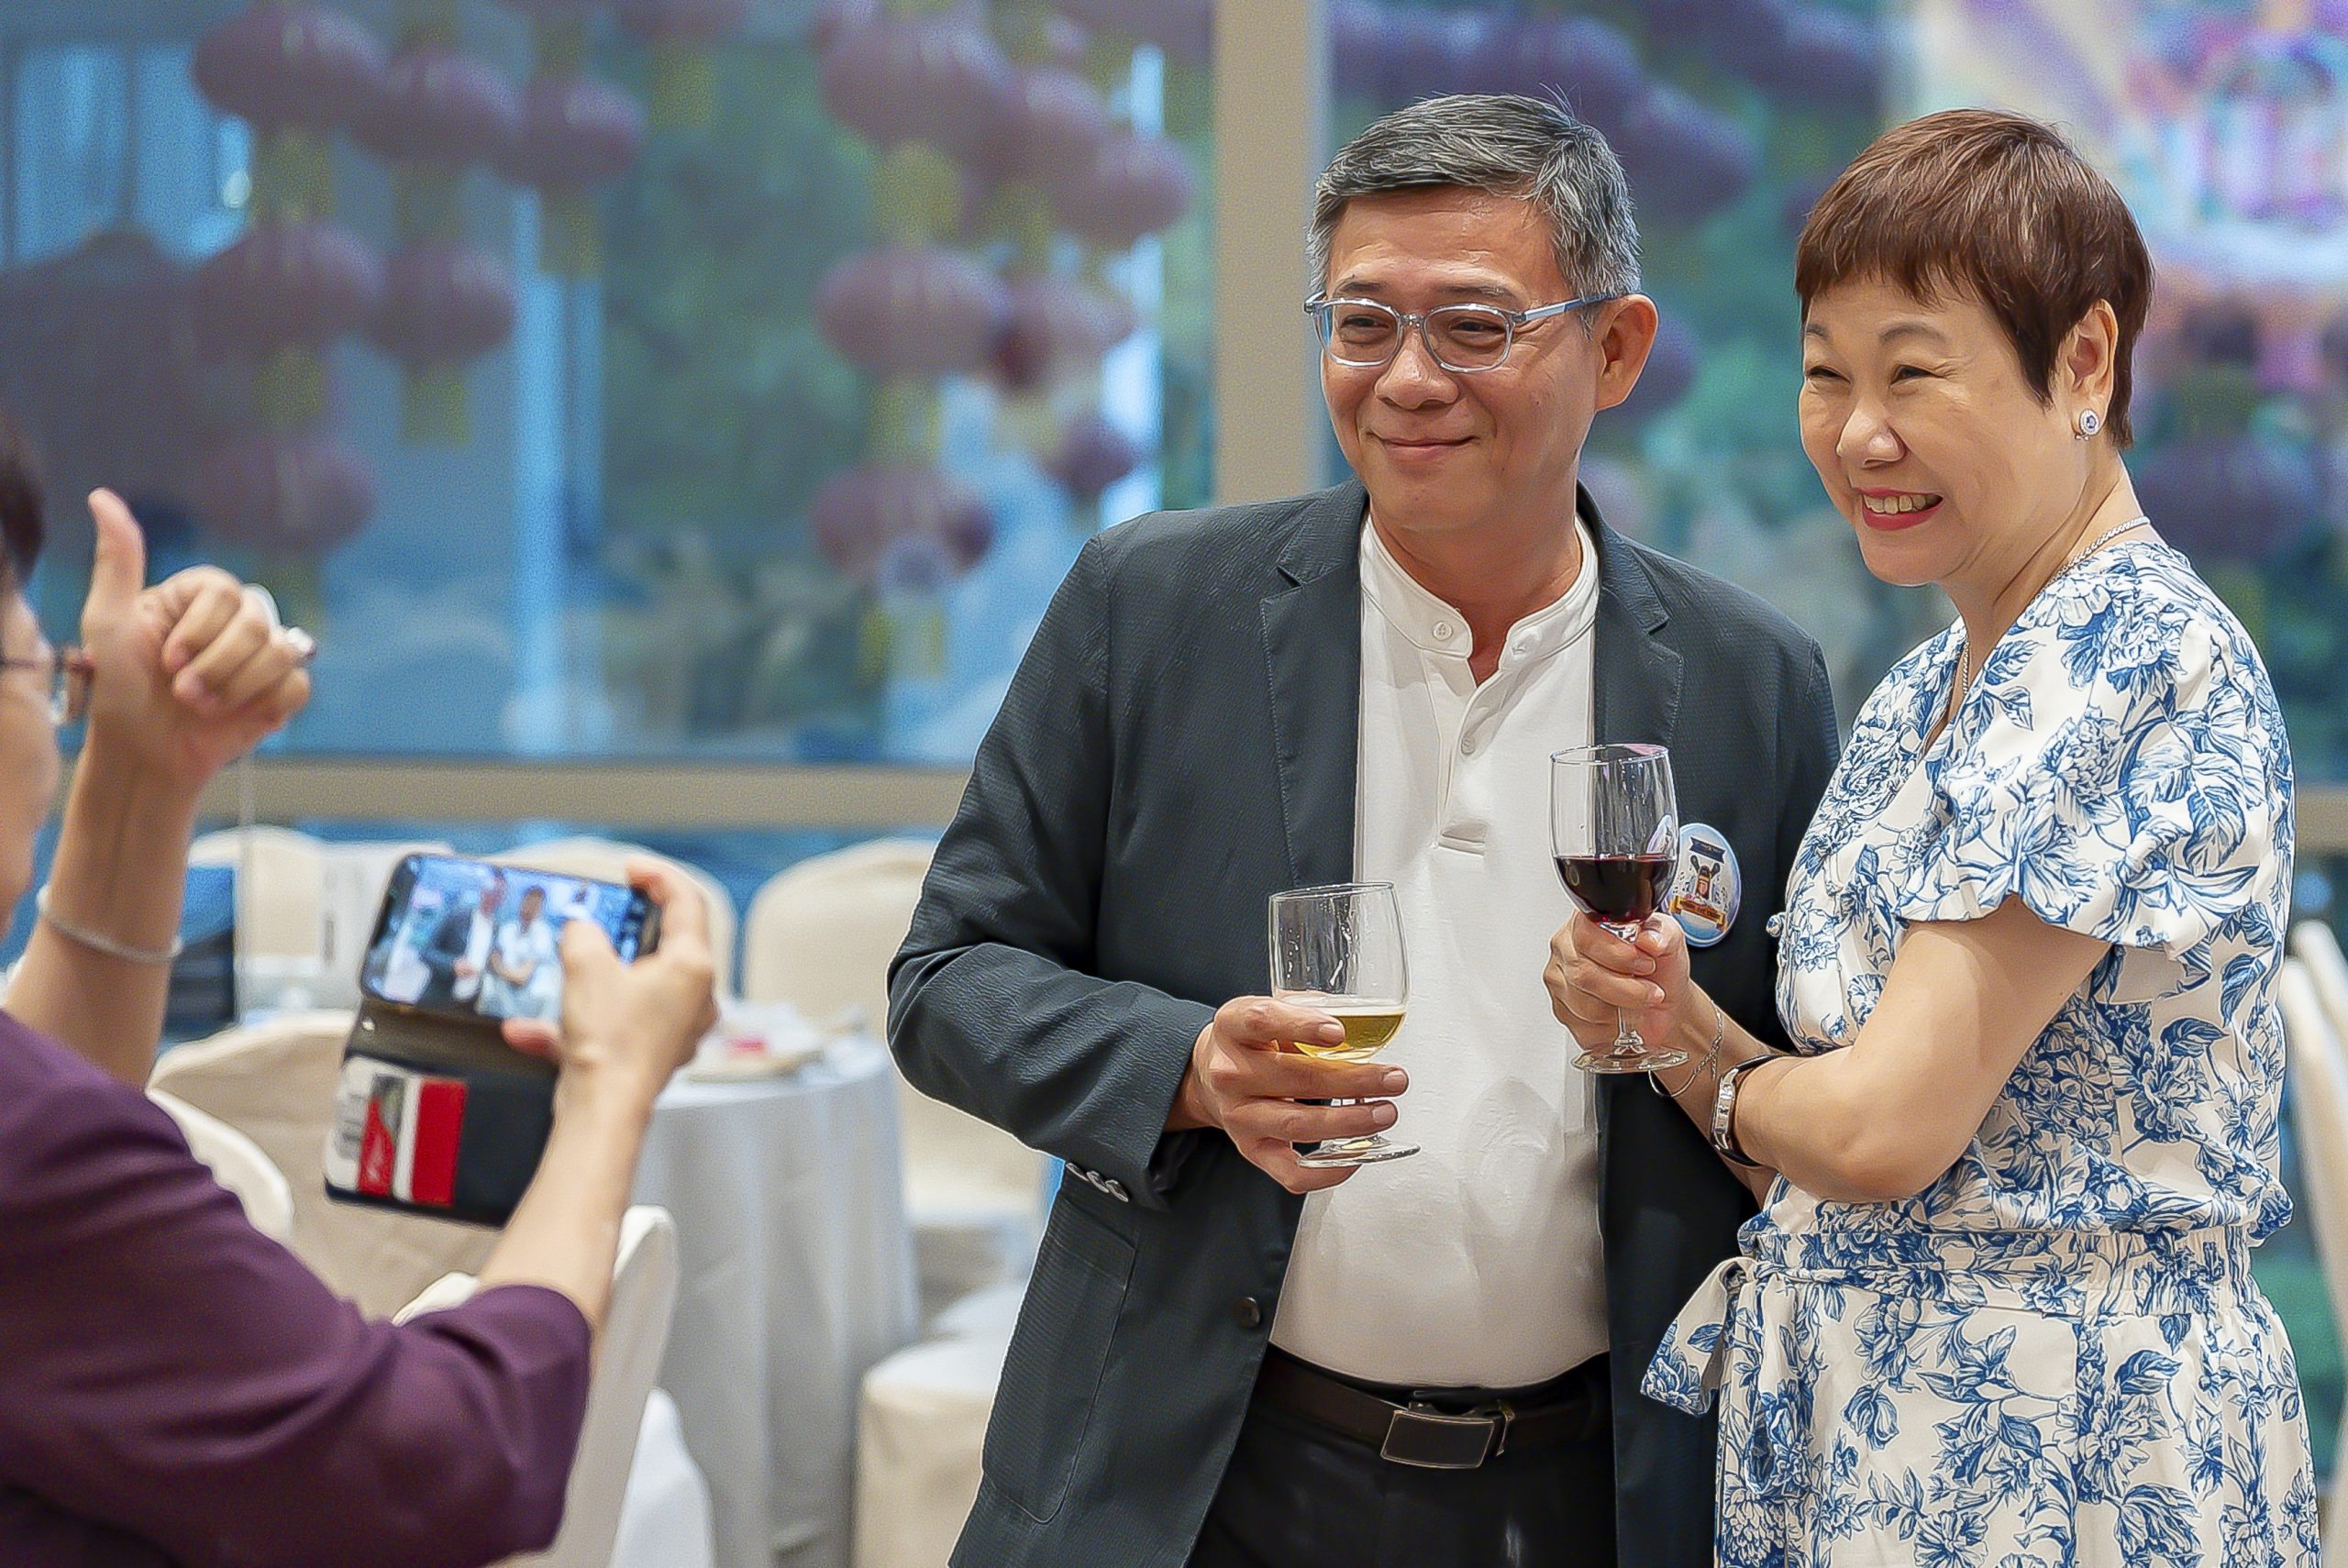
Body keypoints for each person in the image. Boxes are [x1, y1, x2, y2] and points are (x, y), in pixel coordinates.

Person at [891, 94, 1841, 1566]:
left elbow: (1814, 1102)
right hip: (1199, 1477)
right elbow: (947, 980)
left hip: (1594, 1495)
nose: (1405, 379)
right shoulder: (1155, 611)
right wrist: (1188, 1068)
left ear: (1617, 348)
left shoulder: (1748, 681)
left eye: (1472, 326)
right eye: (1361, 323)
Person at [1545, 109, 2318, 1564]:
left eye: (1911, 372)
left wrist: (1707, 1066)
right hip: (1891, 1436)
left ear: (2084, 362)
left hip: (2059, 1450)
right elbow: (1840, 1147)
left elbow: (1880, 1131)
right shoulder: (1928, 686)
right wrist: (1671, 1024)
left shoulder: (2125, 655)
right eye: (1825, 373)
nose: (1859, 434)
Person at [0, 422, 721, 1566]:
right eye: (45, 678)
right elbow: (450, 1462)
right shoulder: (36, 1150)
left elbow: (46, 1134)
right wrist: (607, 1082)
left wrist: (141, 774)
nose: (54, 728)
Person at [415, 868, 505, 1012]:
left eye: (500, 893)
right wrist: (452, 964)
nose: (494, 896)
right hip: (439, 999)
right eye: (492, 890)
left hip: (470, 1004)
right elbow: (426, 952)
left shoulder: (496, 928)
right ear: (483, 890)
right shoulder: (457, 916)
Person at [482, 885, 561, 1022]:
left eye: (535, 905)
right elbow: (492, 961)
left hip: (531, 1011)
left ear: (540, 909)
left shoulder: (543, 934)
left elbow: (521, 978)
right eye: (527, 902)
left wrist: (500, 969)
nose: (528, 908)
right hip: (502, 1006)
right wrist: (504, 970)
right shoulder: (507, 929)